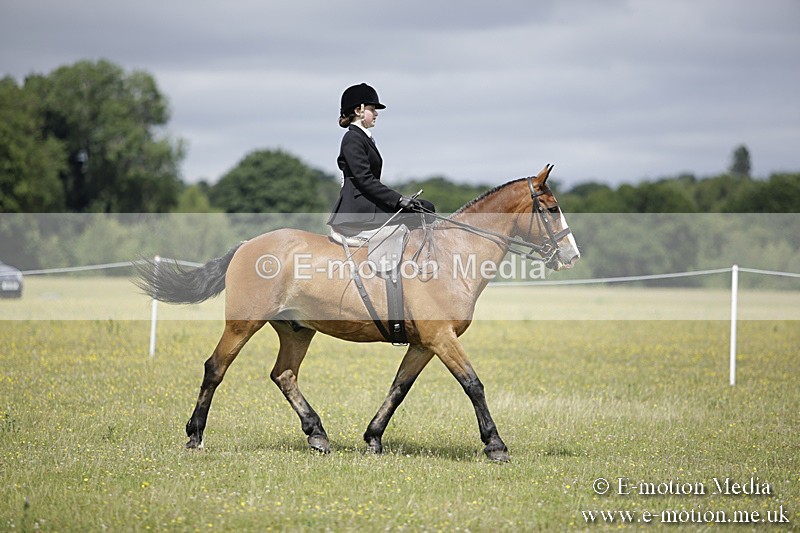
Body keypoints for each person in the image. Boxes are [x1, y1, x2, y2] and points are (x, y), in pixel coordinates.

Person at [327, 83, 435, 237]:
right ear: (359, 110)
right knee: (424, 210)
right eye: (372, 109)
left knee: (424, 208)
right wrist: (398, 199)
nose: (376, 114)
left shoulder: (362, 137)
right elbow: (365, 180)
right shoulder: (352, 138)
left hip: (369, 205)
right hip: (359, 210)